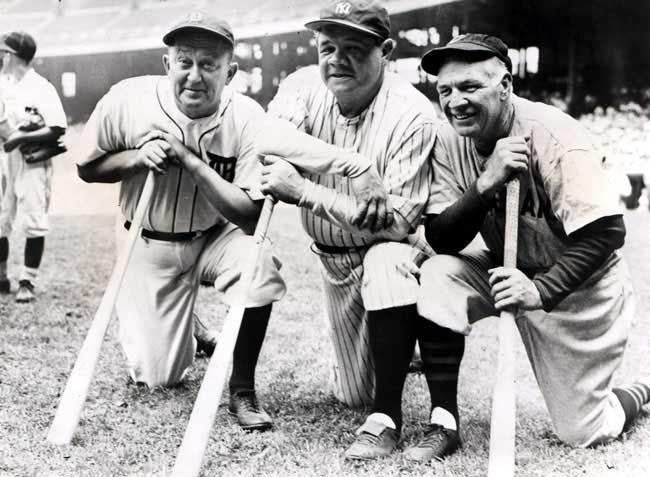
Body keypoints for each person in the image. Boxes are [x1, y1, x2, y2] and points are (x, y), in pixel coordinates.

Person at [413, 33, 650, 459]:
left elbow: (608, 231)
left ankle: (641, 389)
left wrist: (540, 290)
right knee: (438, 273)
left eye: (470, 87)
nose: (455, 102)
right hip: (506, 270)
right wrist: (484, 184)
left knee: (584, 430)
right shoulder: (448, 139)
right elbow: (442, 238)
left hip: (580, 288)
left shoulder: (554, 134)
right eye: (445, 90)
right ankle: (443, 421)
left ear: (505, 86)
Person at [256, 0, 461, 461]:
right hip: (332, 257)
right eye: (327, 47)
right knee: (352, 394)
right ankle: (402, 342)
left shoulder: (412, 112)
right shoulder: (302, 85)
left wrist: (305, 191)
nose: (337, 60)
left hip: (393, 249)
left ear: (385, 52)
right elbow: (264, 139)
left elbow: (398, 222)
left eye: (353, 48)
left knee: (386, 263)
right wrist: (353, 165)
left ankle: (389, 407)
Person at [75, 11, 287, 431]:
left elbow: (250, 217)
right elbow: (87, 167)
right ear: (166, 64)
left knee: (257, 262)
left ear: (230, 72)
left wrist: (190, 160)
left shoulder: (248, 117)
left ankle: (242, 389)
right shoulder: (127, 99)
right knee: (158, 377)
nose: (194, 76)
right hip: (147, 242)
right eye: (184, 61)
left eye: (209, 64)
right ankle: (191, 325)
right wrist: (137, 157)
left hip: (215, 236)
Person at [0, 31, 67, 303]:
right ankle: (1, 276)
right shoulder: (3, 84)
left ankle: (27, 280)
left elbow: (57, 128)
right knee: (1, 217)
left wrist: (20, 137)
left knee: (34, 219)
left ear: (13, 55)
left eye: (4, 52)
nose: (1, 56)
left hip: (33, 160)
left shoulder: (41, 87)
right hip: (5, 159)